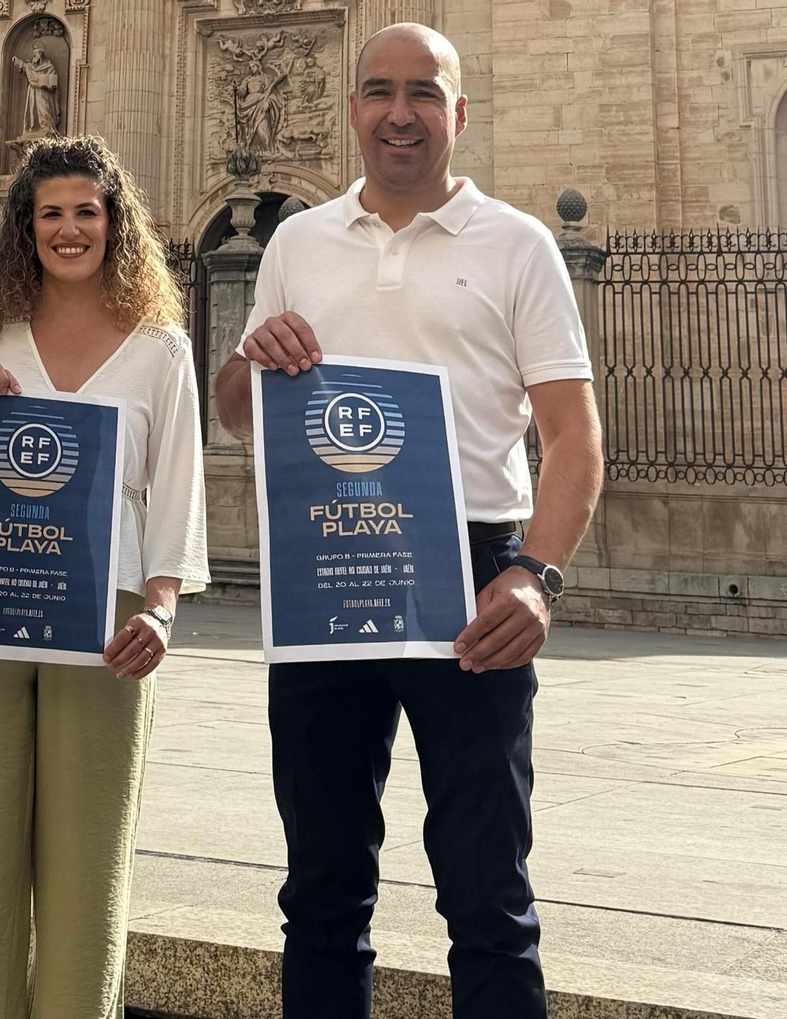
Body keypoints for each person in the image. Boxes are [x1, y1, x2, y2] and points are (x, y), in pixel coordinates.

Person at [211, 24, 604, 1019]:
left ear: (457, 113)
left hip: (471, 575)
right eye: (380, 91)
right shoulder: (297, 243)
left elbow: (573, 436)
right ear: (351, 109)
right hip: (326, 570)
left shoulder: (516, 245)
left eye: (423, 92)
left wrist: (535, 573)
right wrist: (250, 361)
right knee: (321, 886)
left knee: (486, 889)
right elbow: (238, 409)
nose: (399, 112)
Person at [0, 135, 211, 1019]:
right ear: (24, 231)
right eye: (49, 215)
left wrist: (162, 608)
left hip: (105, 620)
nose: (69, 230)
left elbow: (177, 491)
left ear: (116, 225)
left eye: (86, 212)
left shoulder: (159, 349)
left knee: (87, 861)